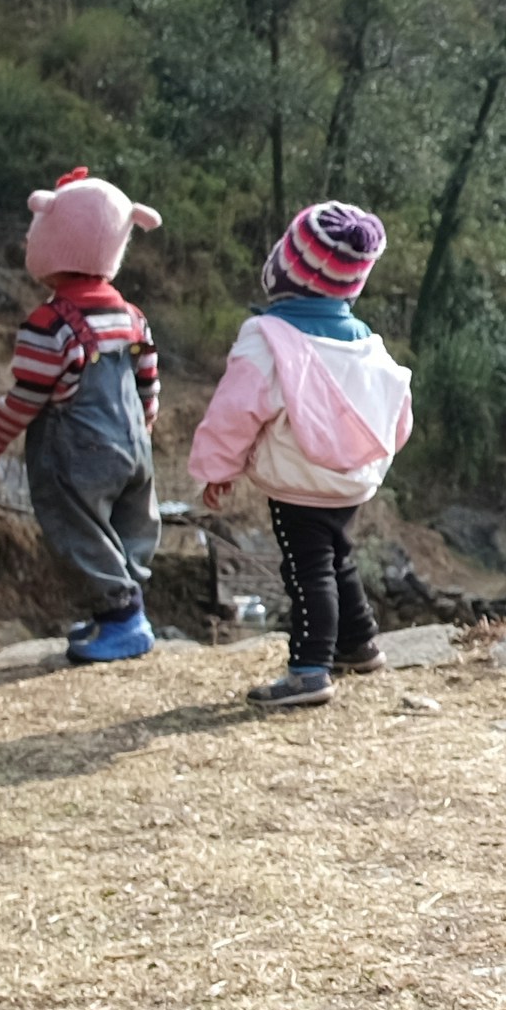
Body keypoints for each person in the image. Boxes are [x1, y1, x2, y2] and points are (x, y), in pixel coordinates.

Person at [188, 201, 415, 711]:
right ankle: (359, 644)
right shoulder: (366, 342)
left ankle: (309, 669)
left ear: (283, 268)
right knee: (337, 555)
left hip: (299, 481)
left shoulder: (269, 339)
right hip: (354, 479)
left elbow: (235, 411)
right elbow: (399, 412)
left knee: (306, 567)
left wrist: (216, 469)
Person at [0, 168, 168, 664]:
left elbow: (26, 398)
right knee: (129, 527)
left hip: (78, 455)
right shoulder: (132, 316)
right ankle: (118, 611)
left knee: (78, 532)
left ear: (50, 246)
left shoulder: (49, 324)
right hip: (134, 446)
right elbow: (148, 380)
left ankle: (122, 620)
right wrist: (145, 422)